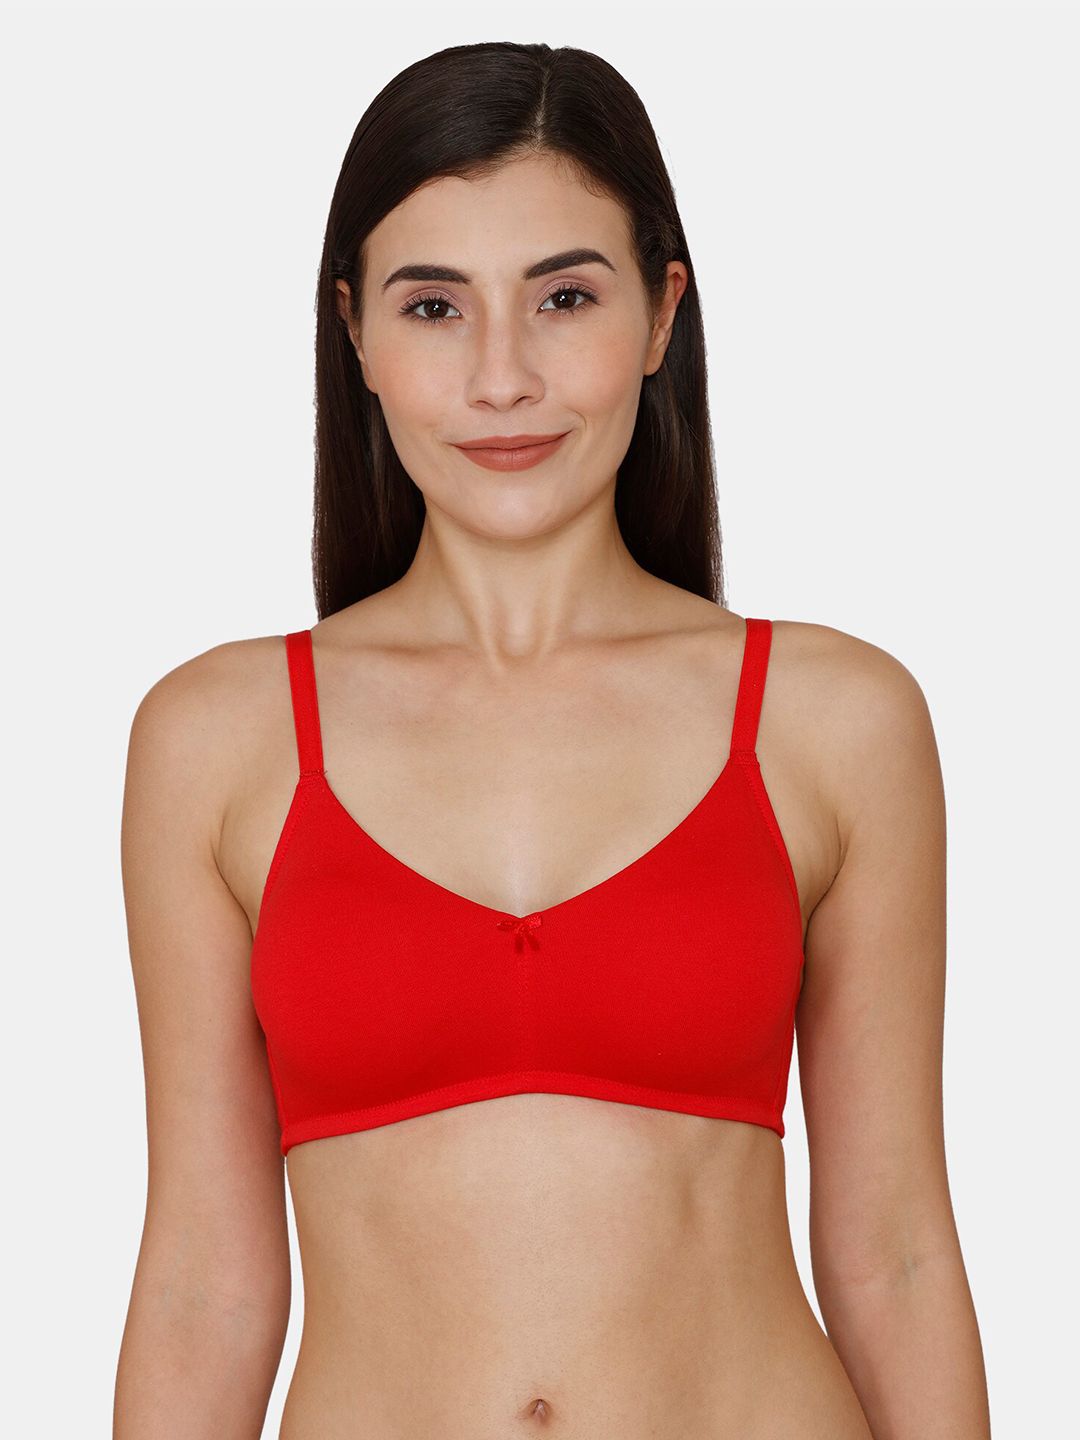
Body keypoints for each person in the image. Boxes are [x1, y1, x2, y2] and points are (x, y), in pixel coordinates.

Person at [113, 41, 991, 1440]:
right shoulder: (215, 744)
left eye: (564, 297)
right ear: (355, 335)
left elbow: (894, 1256)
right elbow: (202, 1291)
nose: (502, 376)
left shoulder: (836, 721)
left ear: (661, 315)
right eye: (434, 307)